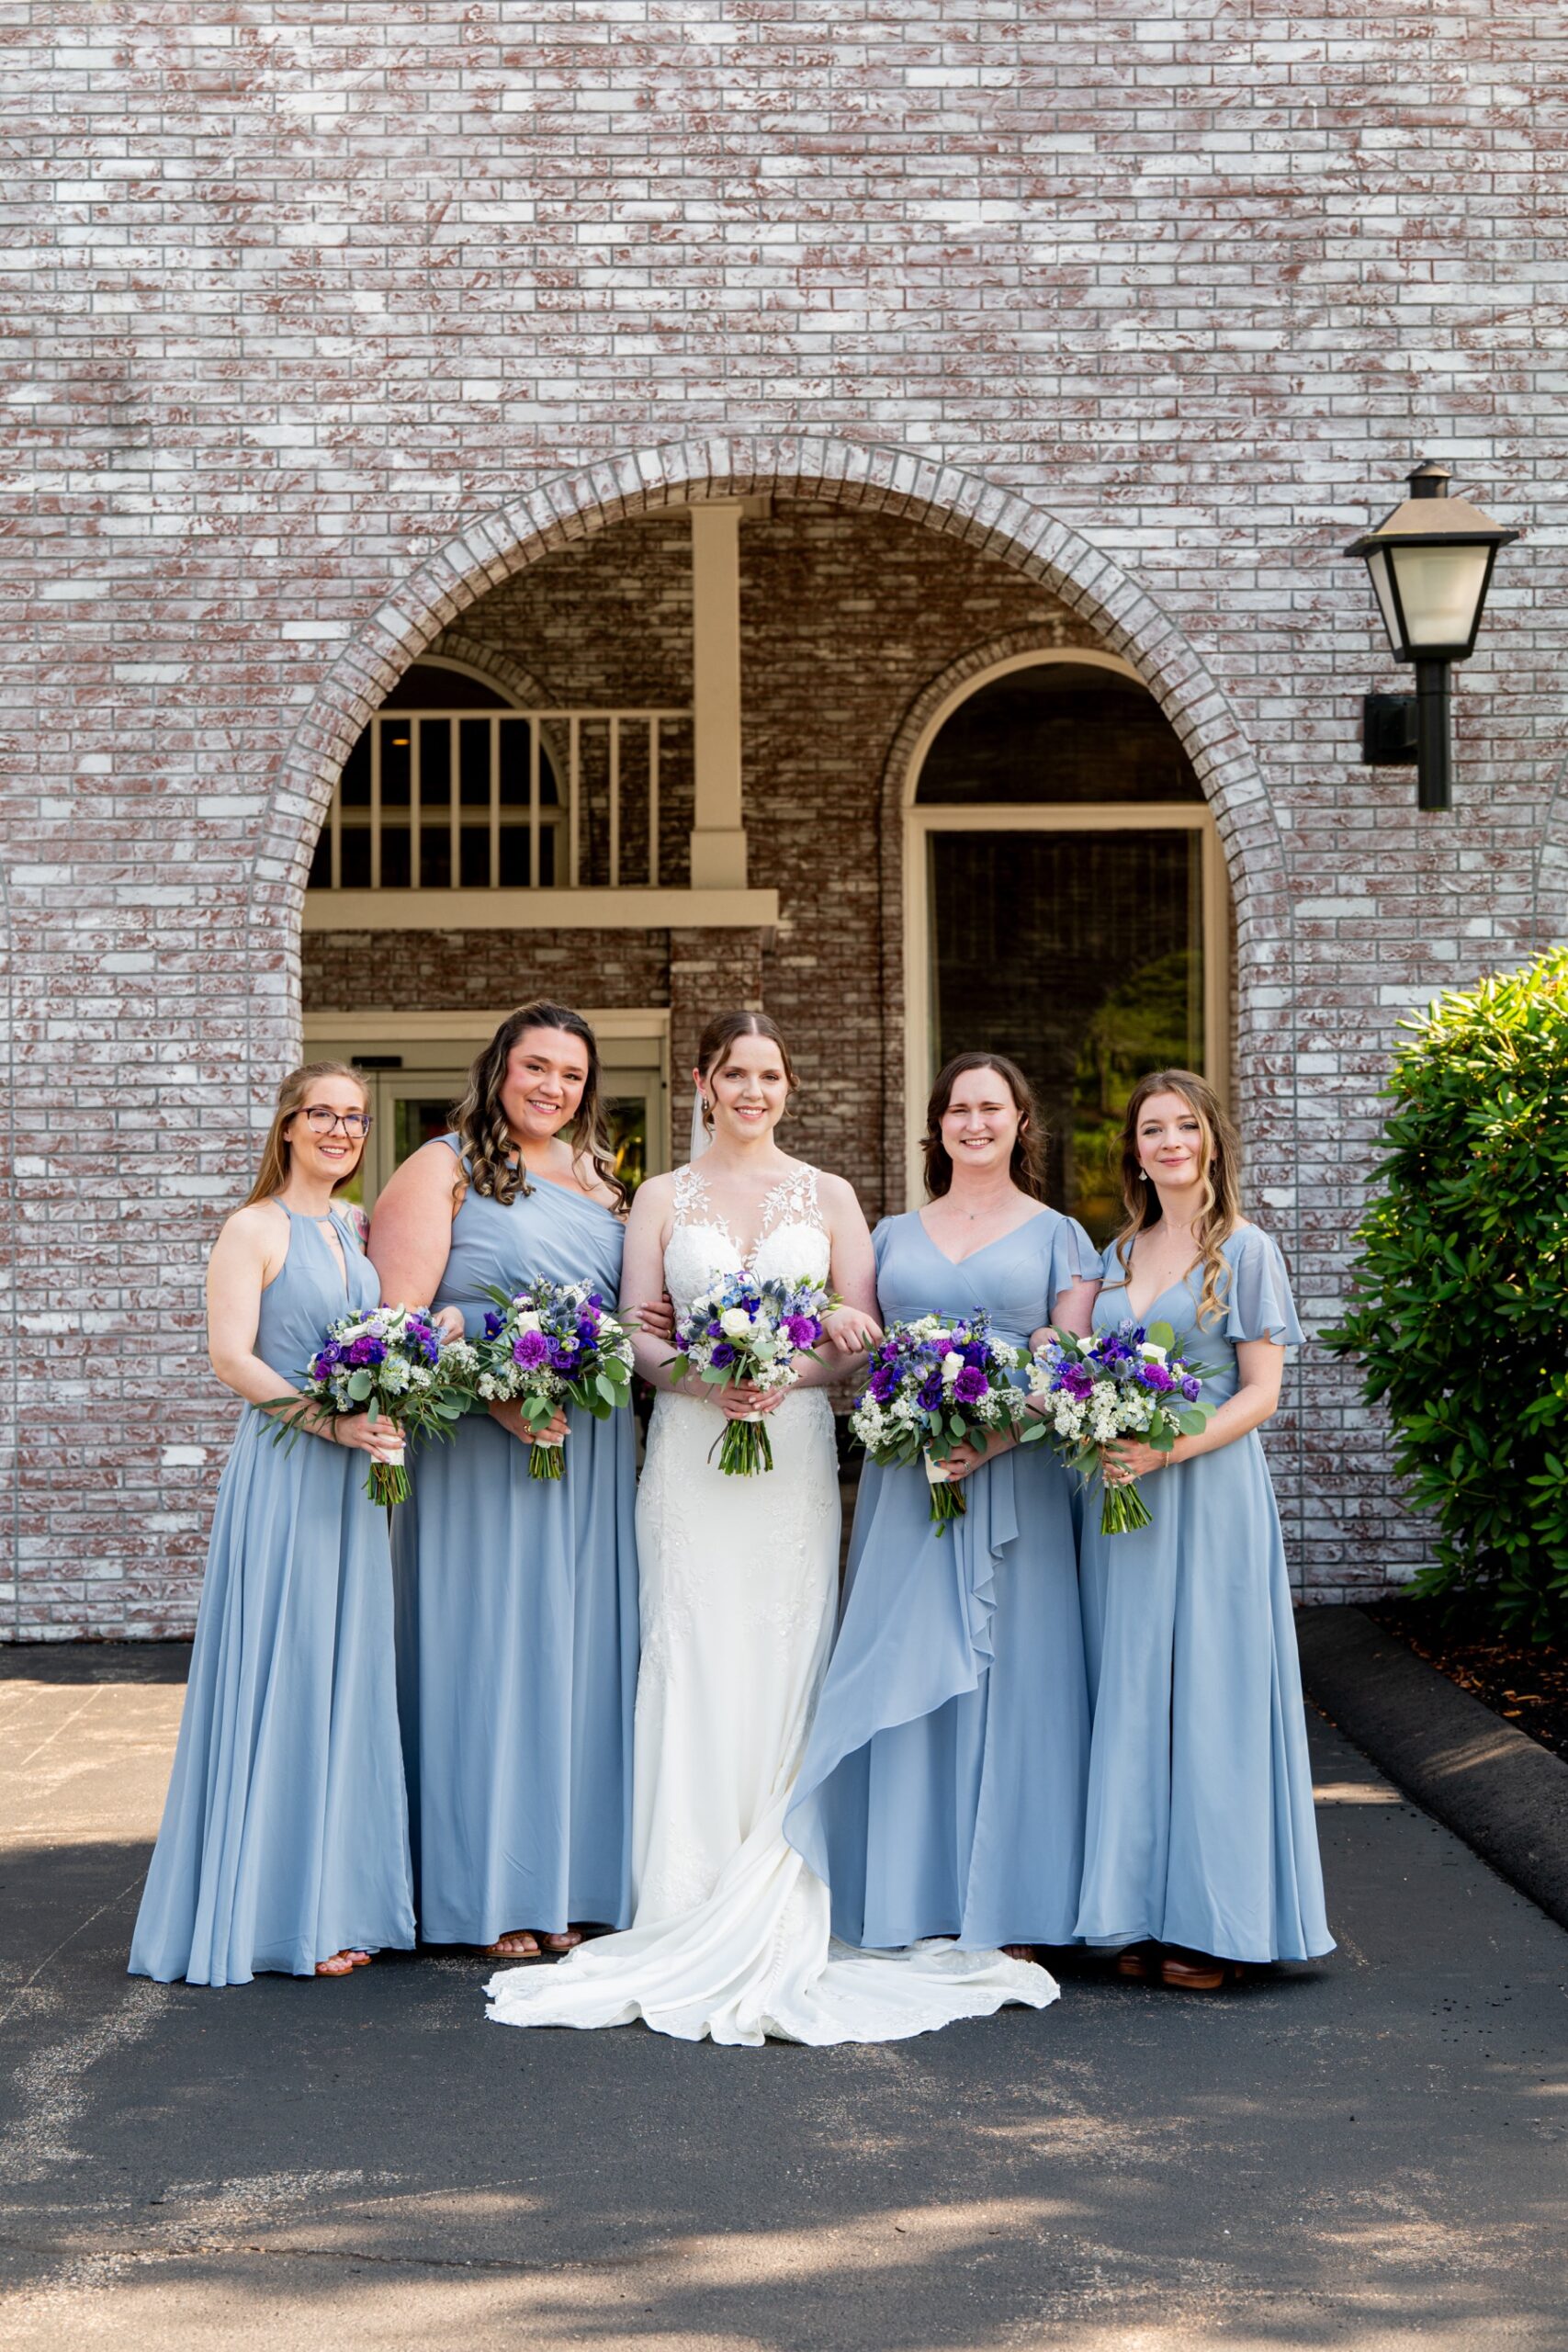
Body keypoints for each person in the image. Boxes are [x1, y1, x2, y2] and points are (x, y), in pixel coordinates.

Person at [484, 1011, 1055, 2043]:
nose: (754, 1091)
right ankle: (684, 1894)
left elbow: (860, 1341)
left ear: (788, 1087)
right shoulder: (660, 1195)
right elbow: (637, 1334)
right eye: (736, 1073)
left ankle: (789, 1879)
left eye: (771, 1075)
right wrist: (703, 1377)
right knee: (691, 1648)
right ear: (702, 1081)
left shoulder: (831, 1195)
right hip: (691, 1460)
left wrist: (801, 1363)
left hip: (789, 1449)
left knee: (787, 1652)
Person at [784, 1053, 1099, 1961]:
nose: (975, 1122)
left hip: (1016, 1476)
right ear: (940, 1127)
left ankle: (1018, 1899)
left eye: (991, 1107)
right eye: (959, 1108)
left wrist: (995, 1435)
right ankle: (907, 1889)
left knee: (1019, 1675)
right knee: (901, 1660)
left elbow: (1064, 1367)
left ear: (1021, 1123)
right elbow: (861, 1343)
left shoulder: (1060, 1237)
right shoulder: (890, 1234)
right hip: (910, 1477)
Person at [130, 1064, 413, 1985]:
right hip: (292, 1469)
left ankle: (343, 1896)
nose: (341, 1130)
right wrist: (329, 1422)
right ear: (289, 1124)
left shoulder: (354, 1227)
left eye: (356, 1118)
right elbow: (229, 1357)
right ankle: (277, 1912)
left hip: (355, 1481)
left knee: (347, 1678)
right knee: (288, 1672)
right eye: (324, 1114)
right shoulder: (252, 1227)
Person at [368, 1003, 642, 1959]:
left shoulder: (606, 1183)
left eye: (571, 1074)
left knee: (571, 1663)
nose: (553, 1088)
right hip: (483, 1450)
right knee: (487, 1657)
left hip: (587, 1450)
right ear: (499, 1069)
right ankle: (480, 1892)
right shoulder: (442, 1167)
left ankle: (562, 1881)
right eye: (536, 1067)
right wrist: (496, 1399)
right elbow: (397, 1329)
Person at [1075, 1069, 1333, 1989]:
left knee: (1210, 1699)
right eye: (1152, 1129)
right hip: (1122, 1507)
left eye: (1186, 1125)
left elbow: (1262, 1392)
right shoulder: (1118, 1253)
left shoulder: (1247, 1250)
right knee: (1136, 1693)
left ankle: (1216, 1923)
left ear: (1213, 1141)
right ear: (1135, 1152)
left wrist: (1167, 1450)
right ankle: (1143, 1911)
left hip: (1208, 1492)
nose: (1170, 1141)